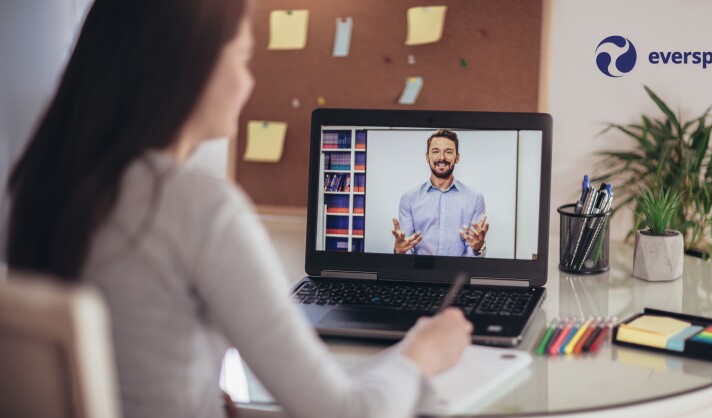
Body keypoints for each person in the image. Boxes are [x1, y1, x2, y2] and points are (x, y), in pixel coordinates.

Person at [3, 1, 472, 417]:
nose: (250, 82)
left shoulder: (36, 187)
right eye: (245, 58)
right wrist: (421, 353)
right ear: (194, 64)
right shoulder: (199, 208)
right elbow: (348, 412)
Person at [392, 129, 490, 257]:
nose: (441, 157)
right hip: (420, 273)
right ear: (427, 157)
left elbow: (472, 249)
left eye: (448, 152)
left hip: (458, 274)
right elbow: (406, 247)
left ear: (457, 158)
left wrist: (478, 248)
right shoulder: (409, 198)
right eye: (435, 151)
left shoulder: (475, 198)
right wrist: (399, 251)